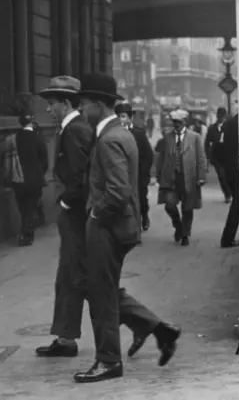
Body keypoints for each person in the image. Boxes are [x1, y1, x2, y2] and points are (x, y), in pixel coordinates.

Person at [74, 72, 180, 384]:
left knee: (101, 295)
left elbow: (118, 192)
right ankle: (158, 329)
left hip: (107, 227)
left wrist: (96, 215)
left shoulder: (109, 140)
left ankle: (108, 360)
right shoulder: (121, 134)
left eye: (83, 105)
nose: (81, 111)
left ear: (97, 105)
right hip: (118, 226)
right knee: (96, 286)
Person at [35, 75, 94, 358]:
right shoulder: (71, 128)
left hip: (76, 216)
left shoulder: (75, 130)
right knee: (71, 276)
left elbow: (83, 174)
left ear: (66, 103)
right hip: (74, 215)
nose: (48, 109)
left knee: (76, 276)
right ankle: (66, 337)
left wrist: (69, 202)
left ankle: (151, 325)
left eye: (52, 103)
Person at [156, 109, 207, 246]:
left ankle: (185, 234)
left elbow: (201, 158)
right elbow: (161, 158)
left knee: (187, 207)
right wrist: (158, 176)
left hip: (189, 177)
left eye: (179, 122)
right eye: (174, 122)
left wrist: (201, 176)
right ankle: (178, 225)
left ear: (185, 122)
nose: (176, 124)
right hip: (171, 179)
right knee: (169, 204)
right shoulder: (167, 138)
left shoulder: (195, 137)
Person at [1, 113, 49, 246]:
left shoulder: (13, 138)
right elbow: (44, 160)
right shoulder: (38, 138)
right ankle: (26, 234)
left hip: (18, 179)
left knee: (23, 207)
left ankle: (25, 232)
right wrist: (40, 173)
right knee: (31, 207)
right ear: (32, 122)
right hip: (35, 180)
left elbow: (5, 158)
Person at [115, 102, 154, 231]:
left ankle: (144, 216)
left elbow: (148, 155)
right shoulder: (113, 133)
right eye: (118, 117)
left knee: (141, 198)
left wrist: (143, 173)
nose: (121, 120)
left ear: (130, 118)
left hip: (138, 173)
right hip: (121, 173)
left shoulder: (139, 134)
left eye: (123, 116)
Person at [220, 110, 239, 248]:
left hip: (230, 169)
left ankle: (228, 237)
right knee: (238, 204)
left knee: (238, 203)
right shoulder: (237, 125)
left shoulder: (229, 124)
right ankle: (227, 238)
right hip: (237, 169)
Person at [205, 107, 232, 202]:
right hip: (216, 156)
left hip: (228, 156)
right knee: (221, 176)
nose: (221, 118)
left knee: (228, 176)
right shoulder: (212, 128)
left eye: (223, 116)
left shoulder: (229, 127)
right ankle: (227, 194)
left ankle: (230, 192)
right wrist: (208, 155)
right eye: (219, 116)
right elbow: (207, 142)